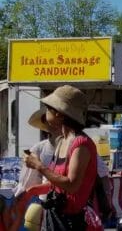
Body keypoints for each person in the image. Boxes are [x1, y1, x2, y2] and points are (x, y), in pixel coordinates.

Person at [20, 85, 101, 230]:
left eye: (48, 109)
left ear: (59, 114)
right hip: (57, 217)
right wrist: (32, 191)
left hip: (73, 222)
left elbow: (71, 185)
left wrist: (39, 166)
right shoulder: (62, 141)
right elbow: (59, 184)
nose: (45, 113)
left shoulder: (81, 144)